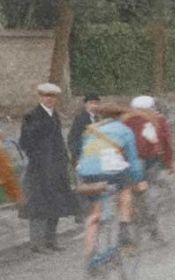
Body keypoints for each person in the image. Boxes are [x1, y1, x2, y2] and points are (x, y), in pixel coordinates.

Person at [76, 103, 145, 254]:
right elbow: (133, 161)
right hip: (110, 171)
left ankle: (90, 254)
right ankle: (124, 229)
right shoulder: (125, 131)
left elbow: (82, 155)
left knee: (96, 209)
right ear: (120, 116)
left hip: (86, 173)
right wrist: (138, 180)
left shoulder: (90, 131)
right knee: (125, 190)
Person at [19, 83, 79, 253]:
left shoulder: (55, 115)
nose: (49, 99)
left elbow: (58, 141)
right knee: (39, 206)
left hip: (57, 168)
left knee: (55, 204)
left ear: (56, 99)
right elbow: (25, 142)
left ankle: (51, 240)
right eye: (46, 96)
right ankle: (37, 244)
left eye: (52, 97)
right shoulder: (32, 115)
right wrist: (39, 160)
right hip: (39, 169)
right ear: (40, 97)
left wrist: (64, 162)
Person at [121, 95, 175, 243]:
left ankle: (132, 221)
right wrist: (170, 163)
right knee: (151, 192)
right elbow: (166, 142)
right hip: (150, 161)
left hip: (129, 162)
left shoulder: (125, 120)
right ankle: (153, 228)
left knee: (132, 192)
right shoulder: (159, 119)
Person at [67, 93, 100, 167]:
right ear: (86, 104)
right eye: (91, 103)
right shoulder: (80, 119)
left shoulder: (98, 119)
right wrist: (76, 156)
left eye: (96, 103)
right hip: (82, 156)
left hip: (95, 156)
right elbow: (73, 138)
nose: (94, 106)